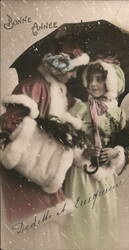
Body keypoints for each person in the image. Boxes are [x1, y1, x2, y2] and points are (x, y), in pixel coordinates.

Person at [0, 44, 89, 224]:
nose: (74, 76)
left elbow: (69, 116)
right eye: (72, 70)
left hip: (47, 166)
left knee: (47, 217)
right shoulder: (33, 86)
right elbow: (9, 125)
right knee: (31, 219)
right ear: (60, 66)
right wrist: (45, 136)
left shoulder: (60, 90)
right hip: (28, 166)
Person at [62, 59, 126, 249]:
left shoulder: (117, 112)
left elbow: (124, 142)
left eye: (99, 79)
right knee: (84, 218)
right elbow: (66, 139)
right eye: (90, 80)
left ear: (110, 83)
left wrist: (116, 152)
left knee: (104, 218)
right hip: (83, 173)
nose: (93, 84)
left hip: (106, 176)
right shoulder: (79, 109)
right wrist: (83, 150)